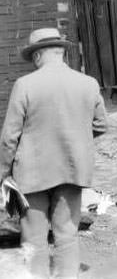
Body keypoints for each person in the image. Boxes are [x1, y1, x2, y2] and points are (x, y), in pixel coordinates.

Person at [0, 27, 108, 278]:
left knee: (34, 238)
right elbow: (101, 125)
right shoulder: (88, 83)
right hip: (73, 169)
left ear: (37, 56)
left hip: (32, 174)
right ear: (61, 53)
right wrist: (76, 140)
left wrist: (4, 173)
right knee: (67, 235)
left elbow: (9, 138)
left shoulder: (24, 85)